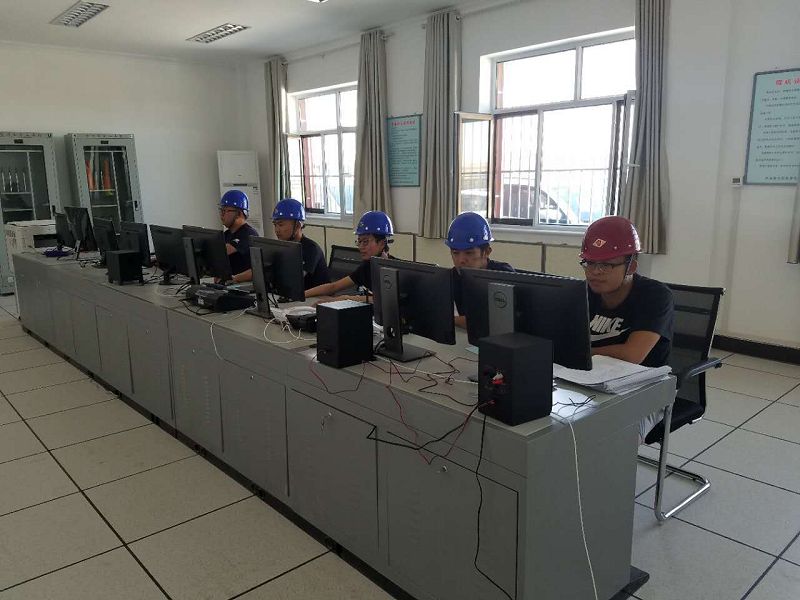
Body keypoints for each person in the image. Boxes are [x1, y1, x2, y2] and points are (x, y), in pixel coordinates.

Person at [579, 215, 674, 442]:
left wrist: (578, 353)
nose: (594, 272)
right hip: (588, 382)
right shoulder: (582, 293)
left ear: (631, 266)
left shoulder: (656, 296)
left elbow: (632, 355)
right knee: (554, 429)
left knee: (607, 440)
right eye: (589, 262)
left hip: (643, 391)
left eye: (606, 264)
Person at [305, 210, 393, 303]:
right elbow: (334, 286)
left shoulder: (394, 270)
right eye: (359, 241)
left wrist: (344, 298)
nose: (361, 247)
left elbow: (388, 300)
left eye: (365, 242)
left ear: (382, 243)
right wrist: (302, 294)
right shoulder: (367, 267)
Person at [446, 212, 514, 329]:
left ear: (487, 252)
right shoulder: (453, 277)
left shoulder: (503, 275)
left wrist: (452, 319)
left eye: (469, 253)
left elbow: (498, 322)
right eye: (455, 253)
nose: (461, 260)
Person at [272, 198, 330, 289]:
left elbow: (293, 280)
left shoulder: (311, 249)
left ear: (298, 226)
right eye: (275, 225)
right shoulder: (283, 248)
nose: (277, 230)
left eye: (280, 225)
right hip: (294, 295)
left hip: (315, 295)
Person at [219, 189, 259, 283]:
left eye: (226, 211)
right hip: (229, 284)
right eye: (221, 210)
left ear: (239, 214)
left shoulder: (248, 234)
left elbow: (221, 252)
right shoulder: (227, 234)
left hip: (243, 285)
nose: (222, 215)